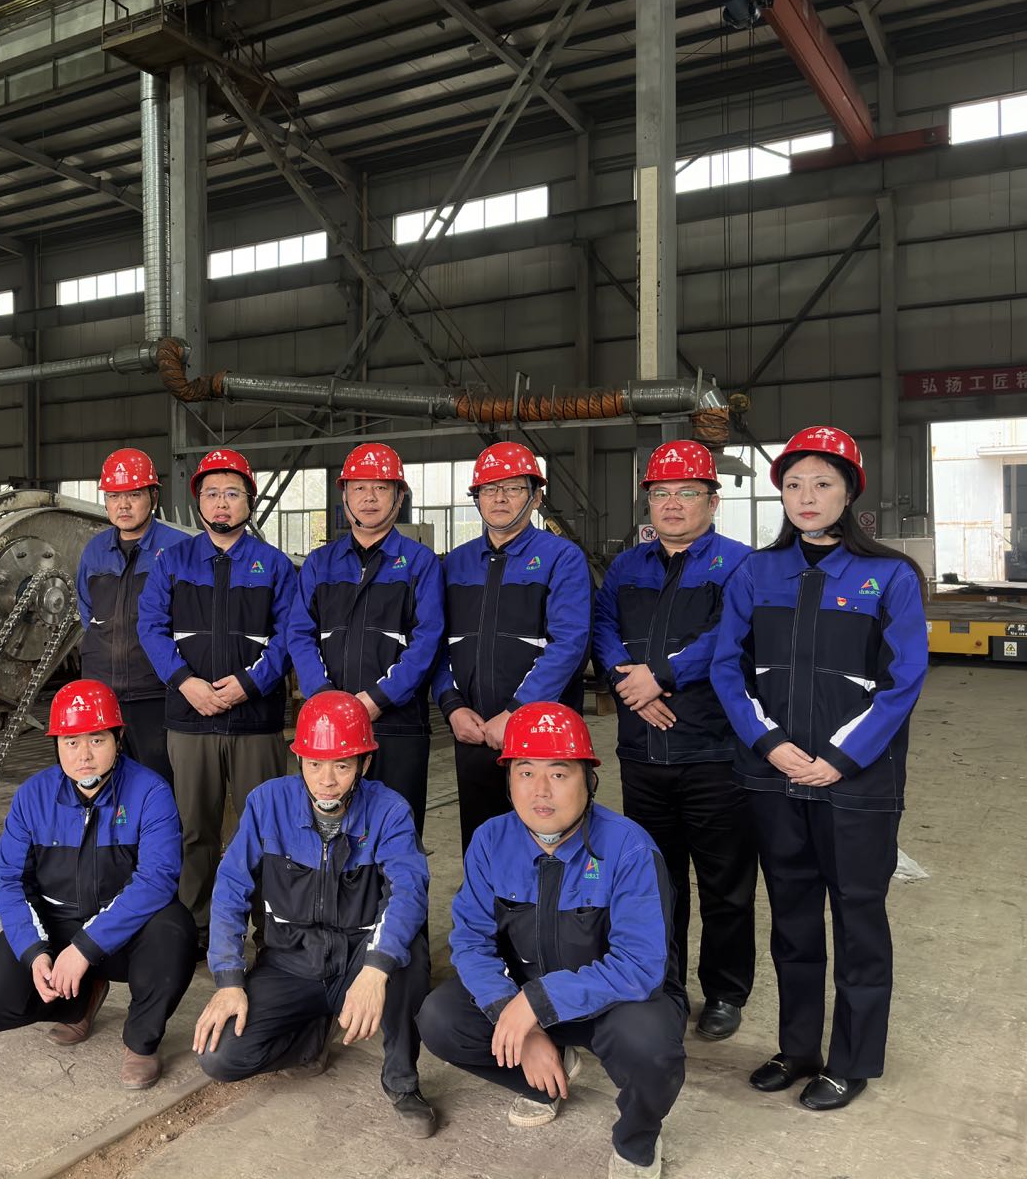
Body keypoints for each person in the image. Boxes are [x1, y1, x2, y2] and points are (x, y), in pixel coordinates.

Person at [711, 425, 928, 1111]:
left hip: (857, 784)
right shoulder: (756, 574)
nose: (807, 496)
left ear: (849, 492)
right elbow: (727, 666)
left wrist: (839, 758)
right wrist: (769, 744)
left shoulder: (890, 576)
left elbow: (903, 680)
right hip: (774, 778)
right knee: (793, 917)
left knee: (858, 917)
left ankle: (851, 1059)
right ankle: (798, 1048)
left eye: (823, 483)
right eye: (794, 484)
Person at [417, 702, 685, 1179]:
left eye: (559, 774)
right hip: (528, 995)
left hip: (614, 1003)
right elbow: (471, 942)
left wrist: (537, 1003)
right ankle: (542, 1081)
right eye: (525, 772)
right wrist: (518, 1017)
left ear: (589, 780)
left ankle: (637, 1138)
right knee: (440, 1018)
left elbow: (641, 966)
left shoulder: (629, 848)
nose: (540, 790)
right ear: (509, 780)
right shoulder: (490, 840)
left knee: (651, 1047)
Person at [191, 690, 437, 1136]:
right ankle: (310, 1041)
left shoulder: (389, 811)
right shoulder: (267, 804)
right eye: (315, 764)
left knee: (409, 959)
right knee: (220, 1056)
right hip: (291, 960)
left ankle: (402, 1082)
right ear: (299, 760)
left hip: (358, 955)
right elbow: (230, 889)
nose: (326, 780)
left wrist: (375, 970)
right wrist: (228, 980)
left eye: (342, 765)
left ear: (364, 764)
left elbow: (409, 893)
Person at [592, 440, 757, 1042]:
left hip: (714, 751)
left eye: (687, 492)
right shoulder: (627, 567)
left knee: (725, 883)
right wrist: (629, 683)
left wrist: (660, 675)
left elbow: (731, 635)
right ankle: (665, 985)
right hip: (643, 754)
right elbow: (603, 626)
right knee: (656, 883)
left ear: (713, 501)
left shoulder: (739, 565)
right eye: (661, 493)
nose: (672, 504)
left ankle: (725, 992)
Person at [0, 680, 197, 1091]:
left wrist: (87, 947)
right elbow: (11, 881)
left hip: (128, 931)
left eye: (97, 740)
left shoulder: (150, 792)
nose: (83, 755)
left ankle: (141, 1041)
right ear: (57, 745)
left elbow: (156, 880)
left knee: (175, 933)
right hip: (59, 921)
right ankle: (79, 1003)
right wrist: (35, 953)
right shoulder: (33, 797)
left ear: (118, 738)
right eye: (71, 742)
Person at [136, 447, 297, 941]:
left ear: (249, 501)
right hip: (191, 720)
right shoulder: (172, 562)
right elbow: (151, 627)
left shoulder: (275, 565)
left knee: (264, 830)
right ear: (198, 503)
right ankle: (196, 929)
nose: (221, 503)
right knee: (194, 831)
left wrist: (250, 684)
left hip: (256, 723)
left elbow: (290, 634)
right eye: (211, 494)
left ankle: (268, 932)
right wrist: (185, 682)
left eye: (232, 493)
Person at [434, 442, 592, 851]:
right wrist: (452, 707)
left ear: (536, 497)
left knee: (548, 846)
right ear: (477, 498)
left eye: (513, 488)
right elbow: (437, 643)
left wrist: (516, 714)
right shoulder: (454, 564)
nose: (499, 498)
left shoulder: (562, 558)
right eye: (489, 489)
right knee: (482, 845)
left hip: (542, 735)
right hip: (473, 732)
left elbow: (569, 644)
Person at [286, 442, 444, 833]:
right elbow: (300, 634)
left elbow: (427, 641)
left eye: (381, 487)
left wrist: (377, 700)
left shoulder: (420, 563)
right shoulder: (320, 564)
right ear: (344, 497)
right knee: (332, 835)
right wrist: (326, 699)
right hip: (329, 728)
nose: (369, 497)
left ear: (399, 496)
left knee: (397, 833)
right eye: (359, 487)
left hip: (397, 724)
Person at [75, 447, 184, 787]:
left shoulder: (179, 549)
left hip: (158, 695)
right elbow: (87, 613)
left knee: (159, 785)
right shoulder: (94, 551)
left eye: (134, 495)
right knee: (104, 786)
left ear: (153, 496)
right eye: (113, 496)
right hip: (102, 695)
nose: (123, 505)